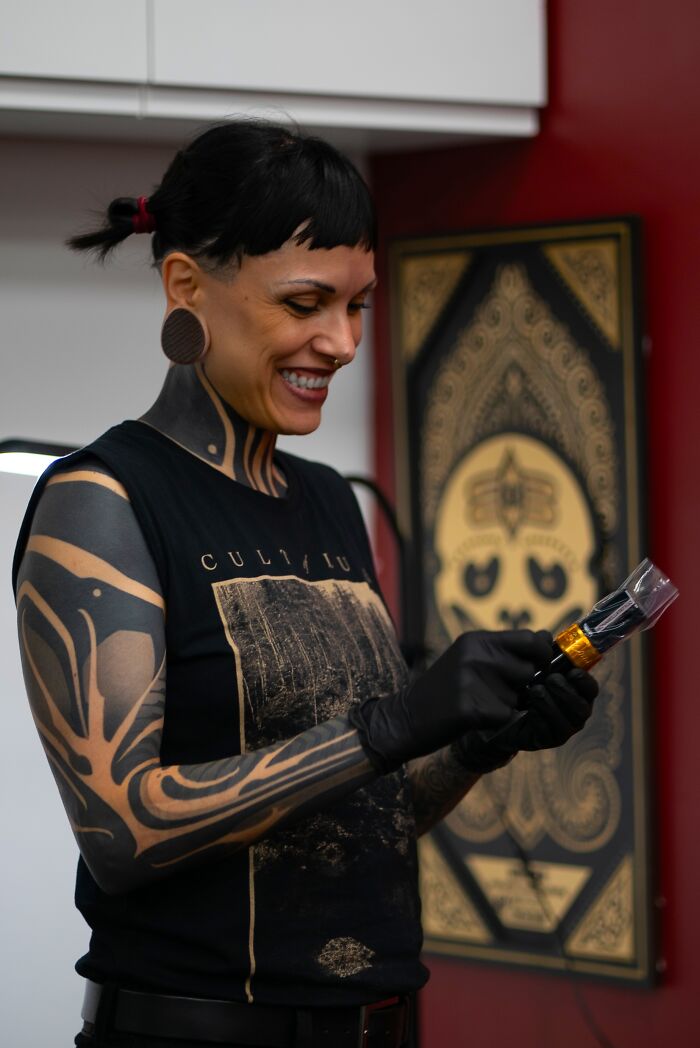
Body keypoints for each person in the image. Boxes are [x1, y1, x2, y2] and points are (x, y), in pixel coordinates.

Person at [13, 120, 598, 1048]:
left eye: (358, 306)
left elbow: (367, 810)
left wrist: (477, 745)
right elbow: (124, 833)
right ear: (185, 286)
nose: (341, 342)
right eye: (305, 302)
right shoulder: (104, 502)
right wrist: (388, 725)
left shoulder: (329, 502)